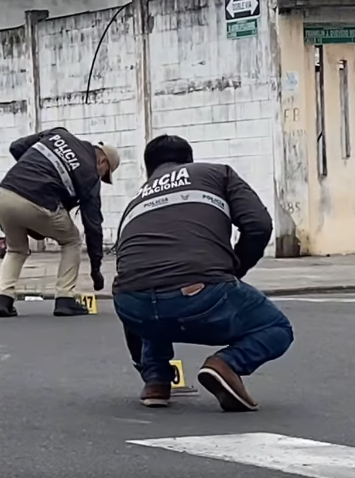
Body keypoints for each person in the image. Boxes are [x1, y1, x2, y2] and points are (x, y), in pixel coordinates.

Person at [112, 134, 294, 410]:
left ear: (148, 169)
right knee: (277, 328)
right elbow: (258, 225)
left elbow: (131, 271)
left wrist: (141, 360)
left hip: (131, 305)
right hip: (200, 293)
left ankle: (156, 381)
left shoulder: (134, 201)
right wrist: (235, 270)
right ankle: (227, 364)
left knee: (148, 291)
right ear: (189, 161)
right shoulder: (218, 174)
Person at [0, 127, 121, 318]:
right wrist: (96, 270)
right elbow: (93, 226)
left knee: (16, 249)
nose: (101, 178)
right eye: (105, 174)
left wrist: (34, 174)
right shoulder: (91, 176)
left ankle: (3, 298)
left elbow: (16, 147)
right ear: (102, 161)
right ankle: (65, 298)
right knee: (72, 240)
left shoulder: (59, 134)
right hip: (38, 202)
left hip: (4, 194)